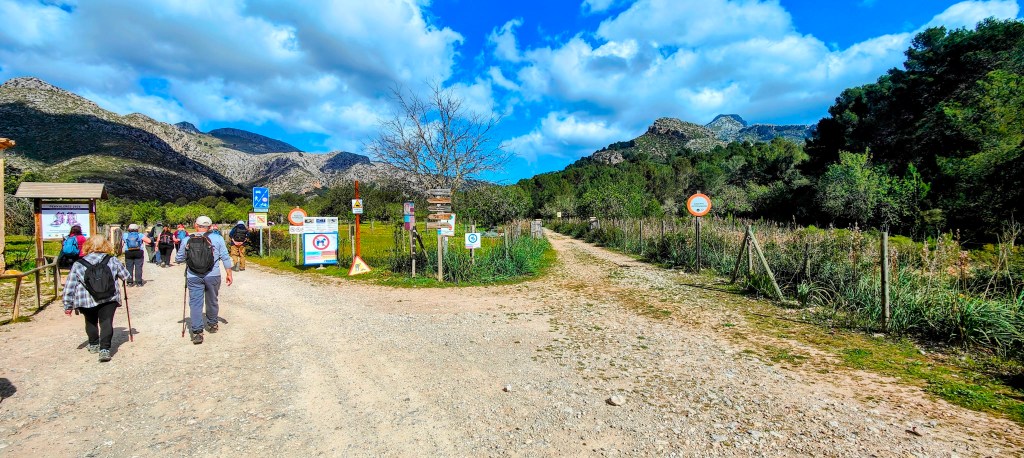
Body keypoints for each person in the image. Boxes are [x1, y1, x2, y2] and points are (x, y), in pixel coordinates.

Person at [63, 235, 130, 362]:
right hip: (109, 298)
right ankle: (104, 350)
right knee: (106, 322)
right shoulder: (112, 260)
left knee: (90, 321)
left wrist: (68, 305)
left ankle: (93, 344)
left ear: (87, 245)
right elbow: (126, 276)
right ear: (106, 245)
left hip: (86, 299)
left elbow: (70, 285)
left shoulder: (78, 264)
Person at [176, 216, 233, 345]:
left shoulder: (187, 240)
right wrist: (229, 273)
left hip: (193, 276)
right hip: (213, 275)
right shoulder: (218, 239)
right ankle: (212, 324)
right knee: (212, 300)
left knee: (195, 303)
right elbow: (225, 256)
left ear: (196, 225)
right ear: (210, 226)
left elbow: (179, 258)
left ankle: (197, 332)